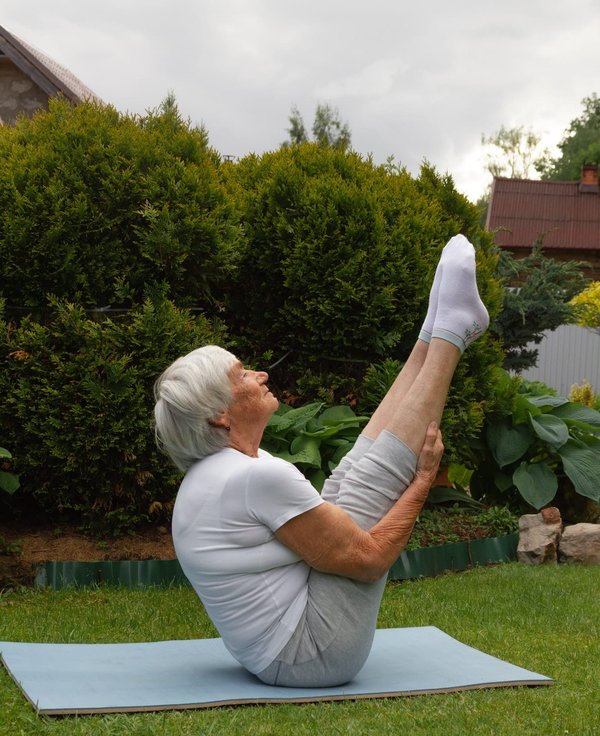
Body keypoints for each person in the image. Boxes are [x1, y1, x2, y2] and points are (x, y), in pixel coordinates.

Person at [153, 235, 489, 688]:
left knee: (348, 481)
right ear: (219, 415)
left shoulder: (227, 471)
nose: (261, 375)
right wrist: (422, 480)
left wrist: (419, 479)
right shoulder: (250, 478)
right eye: (243, 375)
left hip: (279, 649)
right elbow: (369, 560)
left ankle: (434, 334)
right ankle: (450, 334)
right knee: (365, 488)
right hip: (313, 653)